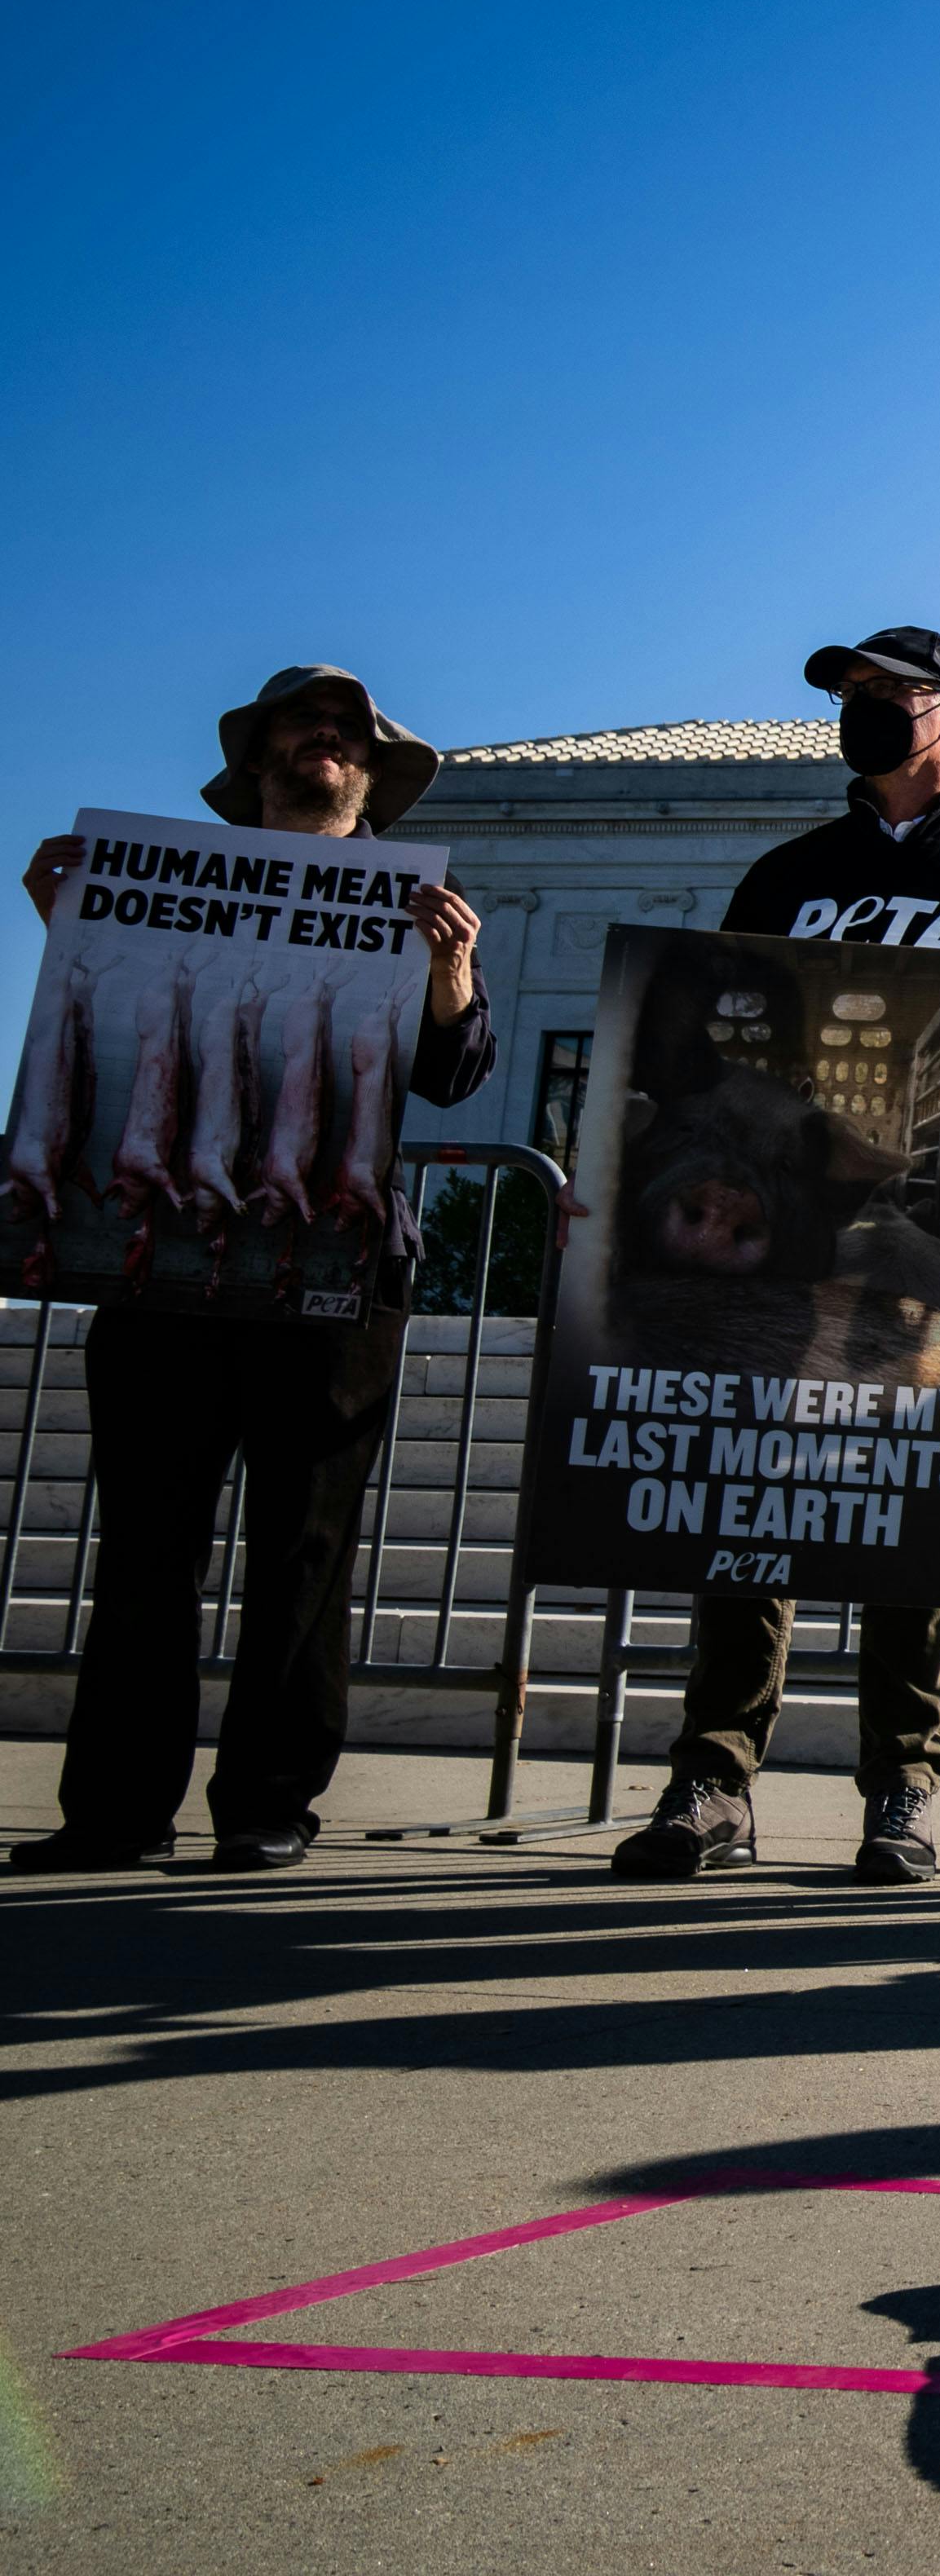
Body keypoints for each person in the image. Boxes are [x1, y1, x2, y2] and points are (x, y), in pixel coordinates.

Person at [605, 627, 940, 1889]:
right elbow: (717, 1041)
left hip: (925, 1241)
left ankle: (901, 1788)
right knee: (751, 1501)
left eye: (893, 694)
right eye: (852, 695)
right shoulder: (787, 875)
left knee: (907, 1504)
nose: (866, 711)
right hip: (770, 1237)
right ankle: (714, 1775)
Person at [9, 670, 495, 1874]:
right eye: (302, 724)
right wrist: (65, 924)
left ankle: (270, 1801)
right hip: (166, 1257)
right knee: (146, 1546)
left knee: (304, 1551)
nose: (325, 740)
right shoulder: (157, 891)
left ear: (374, 773)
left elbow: (452, 1077)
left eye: (348, 732)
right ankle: (116, 1808)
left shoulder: (420, 903)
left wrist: (453, 985)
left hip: (333, 1264)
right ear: (263, 757)